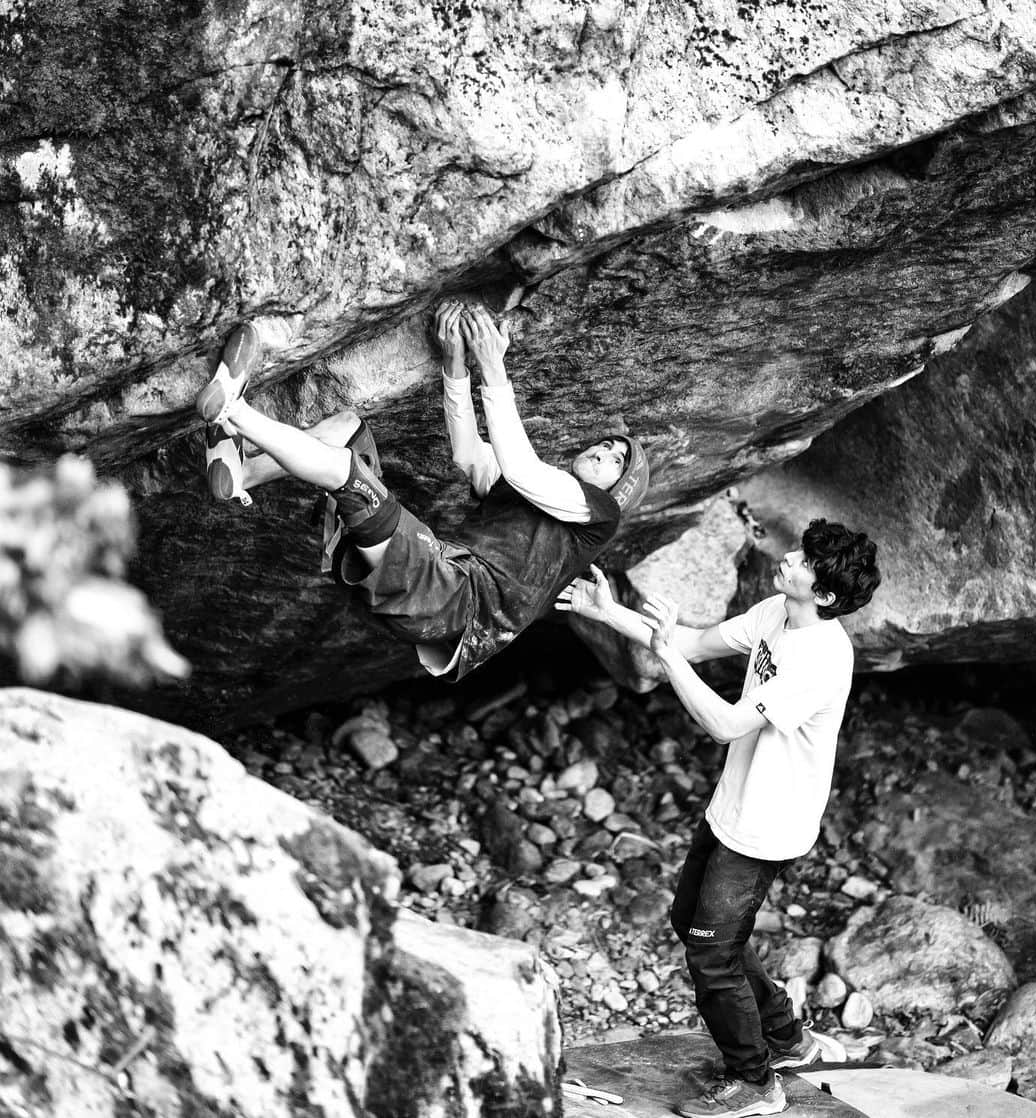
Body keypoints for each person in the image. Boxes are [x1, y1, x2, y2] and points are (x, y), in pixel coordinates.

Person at [557, 521, 881, 1118]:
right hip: (735, 803)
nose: (788, 556)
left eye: (805, 559)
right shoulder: (779, 612)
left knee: (711, 953)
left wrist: (664, 661)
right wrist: (610, 613)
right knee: (694, 924)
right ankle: (786, 1039)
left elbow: (727, 723)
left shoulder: (821, 657)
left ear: (827, 595)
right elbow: (694, 641)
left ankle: (755, 1083)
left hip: (768, 825)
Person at [195, 302, 649, 681]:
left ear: (615, 494)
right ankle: (242, 475)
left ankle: (231, 408)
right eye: (607, 445)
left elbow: (524, 468)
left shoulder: (599, 516)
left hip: (453, 598)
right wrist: (455, 366)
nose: (604, 451)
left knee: (346, 473)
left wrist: (493, 365)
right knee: (347, 431)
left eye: (615, 462)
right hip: (437, 592)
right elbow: (470, 453)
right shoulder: (536, 500)